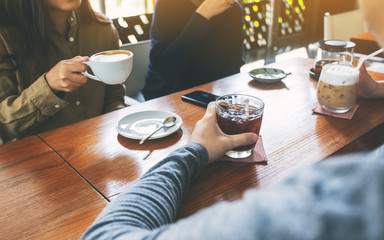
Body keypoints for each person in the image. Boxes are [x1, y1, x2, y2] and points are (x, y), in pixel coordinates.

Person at [82, 0, 384, 239]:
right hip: (166, 97)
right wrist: (201, 17)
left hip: (214, 101)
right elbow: (164, 69)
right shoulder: (170, 5)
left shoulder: (234, 9)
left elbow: (231, 70)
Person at [0, 0, 126, 145]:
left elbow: (114, 96)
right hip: (36, 161)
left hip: (100, 151)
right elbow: (3, 127)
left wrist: (123, 119)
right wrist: (47, 88)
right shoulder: (5, 39)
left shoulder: (103, 29)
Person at [142, 0, 245, 100]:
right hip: (167, 95)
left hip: (211, 94)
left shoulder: (232, 9)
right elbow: (165, 71)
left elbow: (235, 62)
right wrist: (202, 16)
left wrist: (222, 97)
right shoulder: (167, 4)